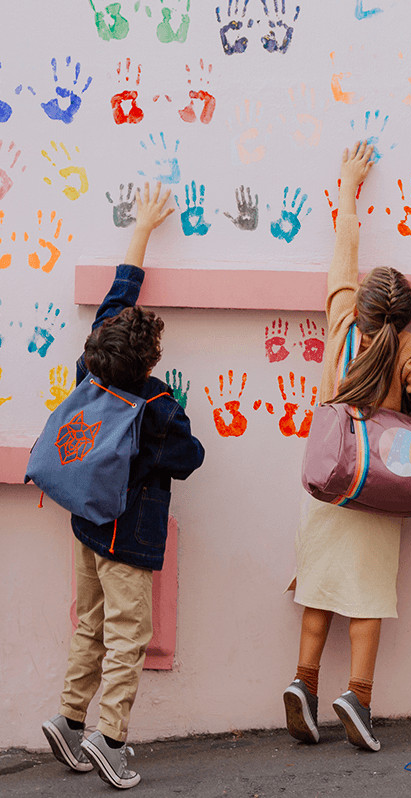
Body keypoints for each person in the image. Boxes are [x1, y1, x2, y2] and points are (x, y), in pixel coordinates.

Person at [283, 141, 411, 752]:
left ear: (361, 302)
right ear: (402, 320)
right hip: (377, 487)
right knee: (367, 599)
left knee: (318, 590)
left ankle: (303, 683)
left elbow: (344, 243)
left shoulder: (341, 318)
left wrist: (350, 182)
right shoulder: (404, 350)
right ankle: (358, 697)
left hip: (326, 480)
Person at [42, 183, 205, 788]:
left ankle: (67, 718)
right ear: (150, 359)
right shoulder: (155, 402)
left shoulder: (92, 365)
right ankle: (109, 739)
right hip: (127, 537)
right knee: (128, 636)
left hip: (86, 522)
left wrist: (140, 227)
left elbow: (118, 296)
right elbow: (189, 458)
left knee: (90, 622)